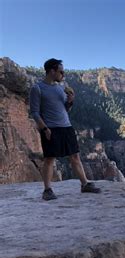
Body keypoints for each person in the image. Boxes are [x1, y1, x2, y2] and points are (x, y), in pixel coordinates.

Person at [29, 58, 101, 200]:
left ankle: (84, 184)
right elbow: (35, 112)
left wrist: (70, 101)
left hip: (66, 127)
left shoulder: (60, 88)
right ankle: (47, 190)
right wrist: (44, 129)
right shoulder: (37, 88)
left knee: (75, 156)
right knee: (50, 159)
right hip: (51, 129)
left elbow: (65, 109)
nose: (63, 74)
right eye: (61, 72)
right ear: (52, 71)